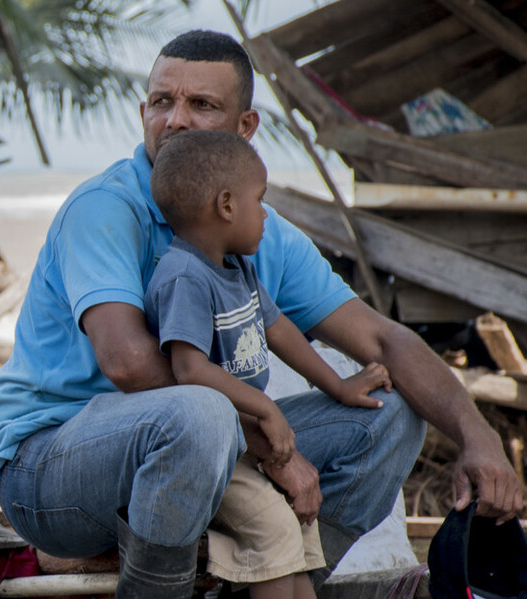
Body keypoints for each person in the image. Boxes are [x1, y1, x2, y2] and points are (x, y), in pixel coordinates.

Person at [0, 29, 525, 599]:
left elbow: (382, 341)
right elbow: (129, 364)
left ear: (246, 129)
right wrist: (267, 440)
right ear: (143, 112)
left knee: (388, 412)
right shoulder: (106, 208)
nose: (176, 120)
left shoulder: (254, 230)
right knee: (200, 413)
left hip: (201, 451)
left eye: (202, 105)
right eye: (163, 102)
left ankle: (272, 583)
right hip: (46, 464)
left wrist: (476, 436)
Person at [141, 129, 392, 599]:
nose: (265, 215)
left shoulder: (237, 266)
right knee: (275, 532)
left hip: (249, 437)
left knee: (300, 534)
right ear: (227, 206)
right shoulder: (184, 276)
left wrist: (338, 386)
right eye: (260, 201)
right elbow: (189, 370)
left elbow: (278, 331)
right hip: (214, 449)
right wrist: (267, 408)